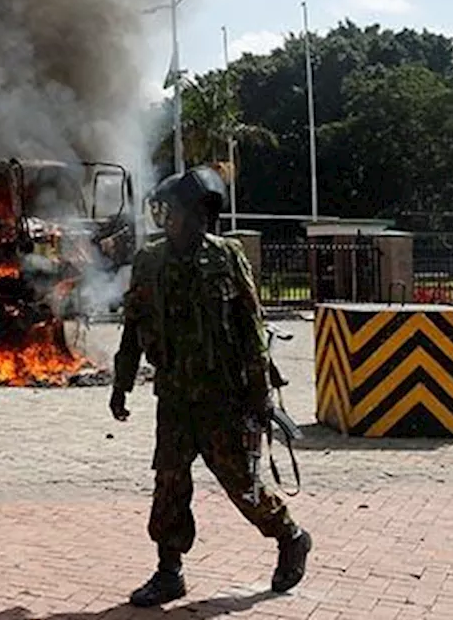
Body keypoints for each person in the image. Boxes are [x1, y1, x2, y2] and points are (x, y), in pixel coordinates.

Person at [110, 166, 311, 607]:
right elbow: (133, 325)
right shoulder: (150, 261)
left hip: (224, 397)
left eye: (190, 212)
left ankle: (291, 537)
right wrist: (120, 384)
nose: (182, 220)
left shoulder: (227, 257)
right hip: (175, 397)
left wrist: (260, 393)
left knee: (242, 483)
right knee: (169, 482)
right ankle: (169, 571)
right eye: (179, 212)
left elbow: (251, 328)